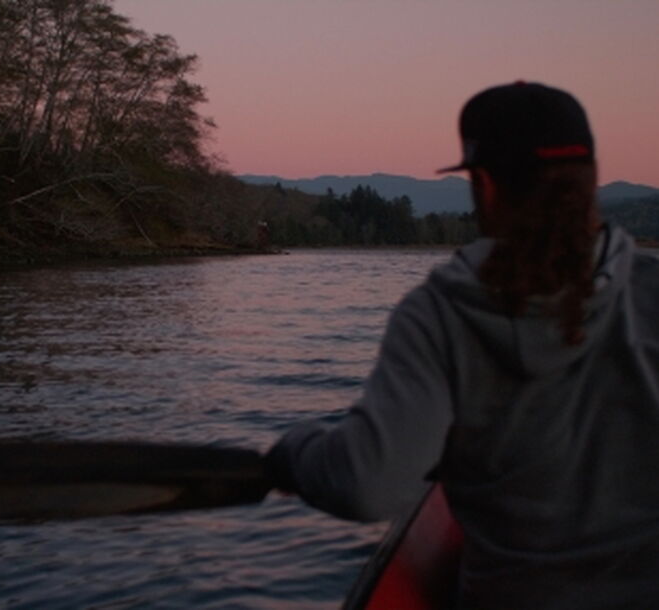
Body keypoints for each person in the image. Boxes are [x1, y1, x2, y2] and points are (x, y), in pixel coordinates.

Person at [265, 82, 659, 609]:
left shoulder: (437, 315)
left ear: (487, 188)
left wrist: (295, 453)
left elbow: (367, 485)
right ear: (591, 179)